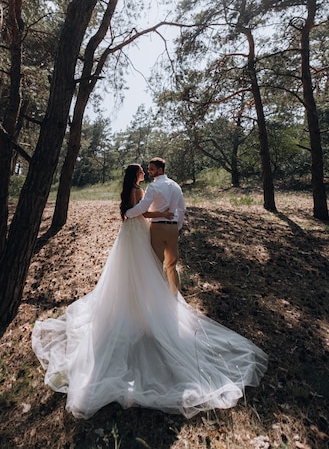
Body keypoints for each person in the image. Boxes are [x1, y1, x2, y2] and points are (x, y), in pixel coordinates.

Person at [32, 163, 268, 420]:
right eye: (142, 171)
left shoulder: (135, 189)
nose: (145, 172)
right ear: (137, 175)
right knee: (143, 271)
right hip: (137, 232)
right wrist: (164, 213)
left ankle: (136, 305)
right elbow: (140, 214)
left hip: (130, 234)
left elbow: (132, 212)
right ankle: (145, 307)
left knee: (135, 271)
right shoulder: (138, 190)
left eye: (147, 170)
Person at [125, 157, 185, 295]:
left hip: (158, 228)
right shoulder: (176, 186)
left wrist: (128, 213)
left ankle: (158, 297)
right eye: (148, 169)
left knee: (156, 265)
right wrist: (177, 226)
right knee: (172, 266)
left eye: (152, 169)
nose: (149, 171)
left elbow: (142, 208)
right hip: (173, 228)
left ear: (160, 169)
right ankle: (175, 297)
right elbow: (181, 209)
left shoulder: (153, 186)